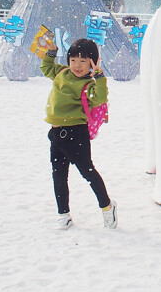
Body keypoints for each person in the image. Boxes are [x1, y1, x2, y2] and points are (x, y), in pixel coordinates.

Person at [41, 37, 116, 230]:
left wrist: (99, 76)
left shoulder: (89, 84)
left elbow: (100, 98)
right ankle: (63, 214)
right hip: (56, 133)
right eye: (73, 59)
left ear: (92, 63)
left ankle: (107, 207)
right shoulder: (62, 73)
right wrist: (52, 51)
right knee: (58, 176)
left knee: (87, 172)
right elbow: (47, 67)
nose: (77, 65)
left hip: (76, 134)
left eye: (83, 61)